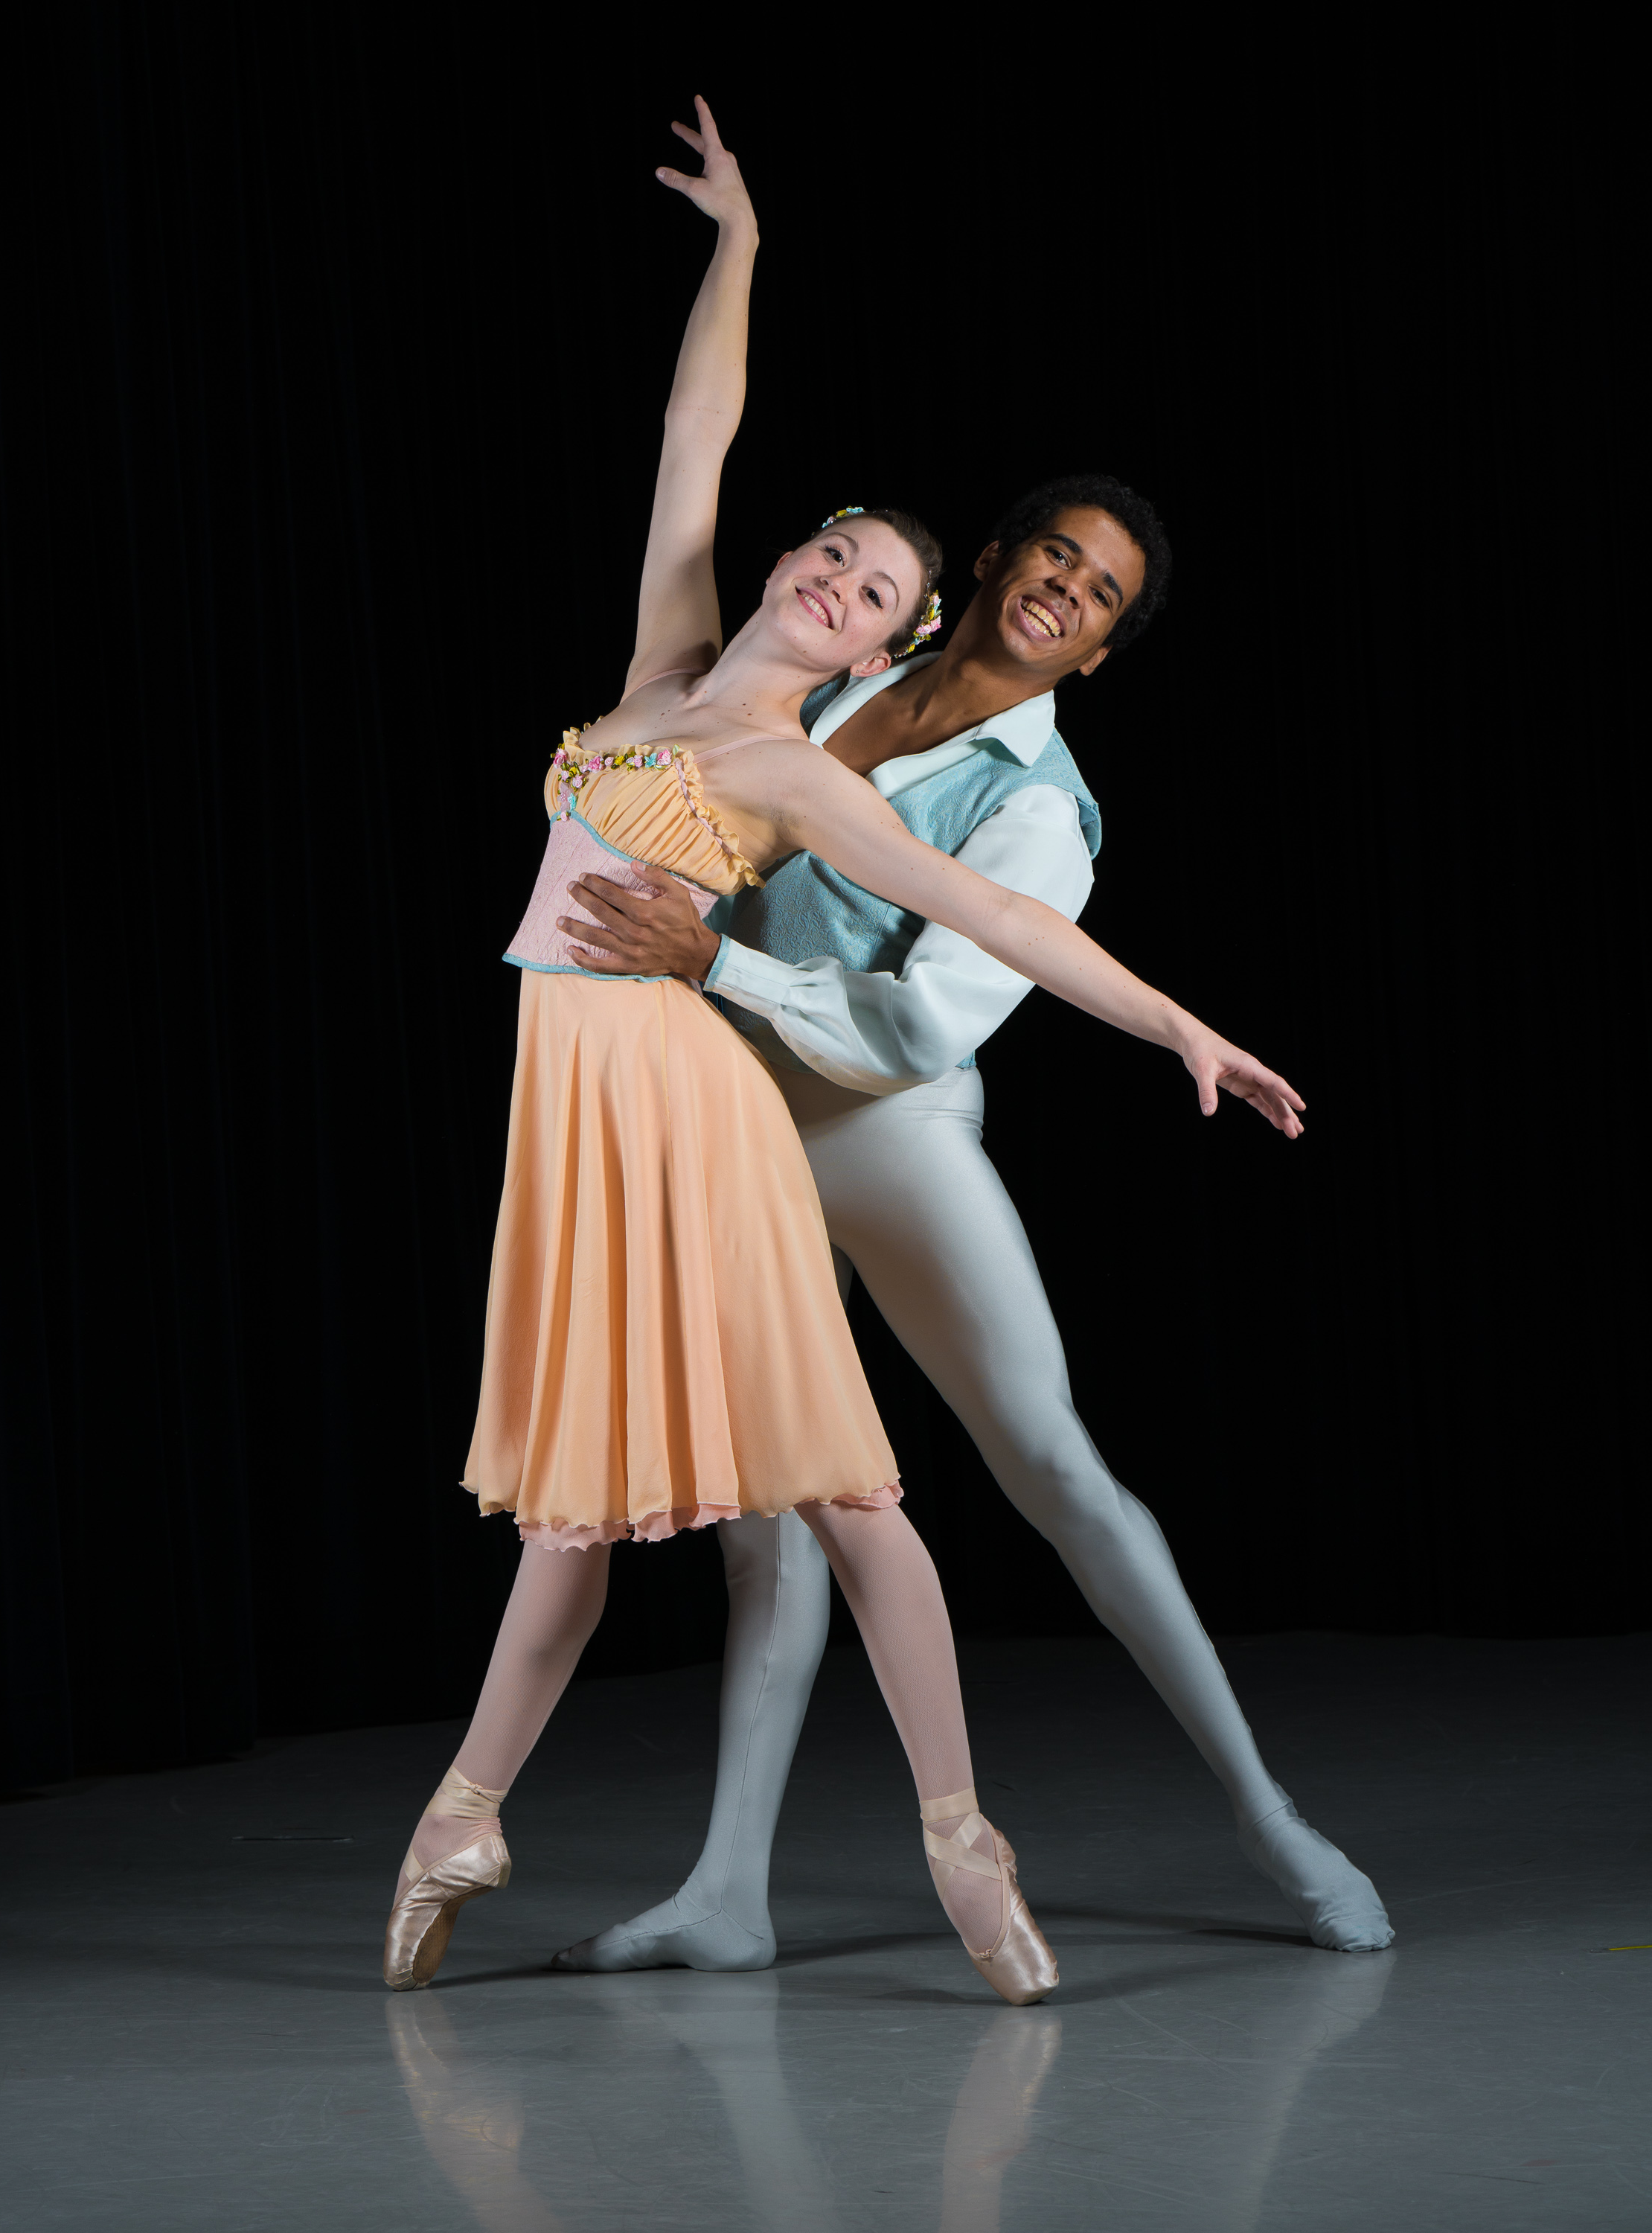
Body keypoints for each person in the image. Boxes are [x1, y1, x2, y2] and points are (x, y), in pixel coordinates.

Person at [384, 100, 1305, 2005]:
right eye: (839, 558)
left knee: (886, 1479)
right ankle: (513, 1832)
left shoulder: (840, 777)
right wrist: (740, 246)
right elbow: (695, 439)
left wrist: (1185, 1025)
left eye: (879, 591)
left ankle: (1017, 1838)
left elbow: (995, 936)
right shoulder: (691, 671)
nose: (845, 588)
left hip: (757, 1105)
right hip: (595, 1116)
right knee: (615, 1508)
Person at [545, 525, 1392, 1970]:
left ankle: (1273, 1818)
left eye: (1101, 593)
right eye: (1057, 556)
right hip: (730, 1119)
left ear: (1101, 649)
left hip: (891, 1130)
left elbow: (926, 1023)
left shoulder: (1039, 805)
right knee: (771, 1520)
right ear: (996, 562)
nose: (1066, 590)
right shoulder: (833, 672)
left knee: (1053, 1464)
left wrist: (720, 963)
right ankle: (728, 1894)